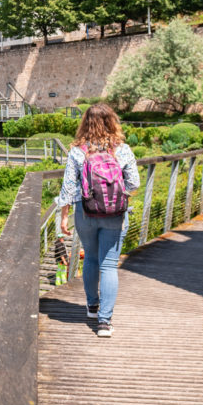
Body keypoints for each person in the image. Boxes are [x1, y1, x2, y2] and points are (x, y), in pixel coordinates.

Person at [59, 103, 140, 338]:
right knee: (109, 264)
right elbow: (133, 183)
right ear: (112, 121)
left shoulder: (78, 150)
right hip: (114, 215)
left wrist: (64, 216)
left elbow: (69, 188)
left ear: (85, 122)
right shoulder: (122, 149)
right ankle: (104, 323)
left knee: (91, 258)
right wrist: (115, 194)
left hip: (85, 212)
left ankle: (92, 306)